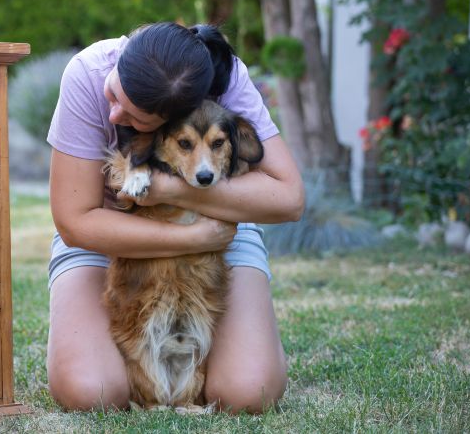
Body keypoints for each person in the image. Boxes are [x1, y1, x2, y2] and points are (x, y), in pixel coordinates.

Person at [44, 22, 305, 414]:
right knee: (90, 392)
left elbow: (289, 199)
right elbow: (74, 221)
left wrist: (172, 191)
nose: (113, 112)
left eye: (134, 117)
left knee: (250, 391)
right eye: (115, 93)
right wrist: (194, 238)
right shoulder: (89, 71)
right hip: (108, 235)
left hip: (218, 236)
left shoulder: (225, 77)